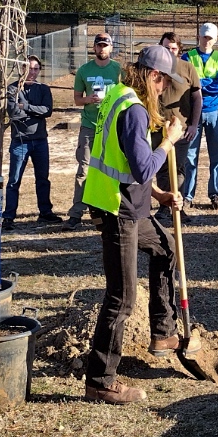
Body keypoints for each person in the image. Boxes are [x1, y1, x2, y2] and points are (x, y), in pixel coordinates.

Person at [81, 45, 186, 405]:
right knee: (122, 298)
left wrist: (157, 195)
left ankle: (162, 332)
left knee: (165, 247)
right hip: (117, 209)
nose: (164, 91)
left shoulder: (118, 96)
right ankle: (100, 380)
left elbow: (127, 161)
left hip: (131, 204)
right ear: (153, 76)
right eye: (164, 83)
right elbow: (141, 167)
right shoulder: (133, 110)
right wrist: (169, 141)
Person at [68, 33, 123, 228]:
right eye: (99, 45)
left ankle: (108, 210)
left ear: (111, 48)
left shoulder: (118, 70)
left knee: (110, 169)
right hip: (89, 125)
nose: (102, 49)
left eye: (105, 46)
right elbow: (77, 99)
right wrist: (88, 100)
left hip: (112, 126)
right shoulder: (84, 70)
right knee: (83, 168)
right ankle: (76, 212)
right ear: (94, 47)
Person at [1, 56, 60, 230]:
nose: (32, 72)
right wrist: (34, 110)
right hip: (20, 141)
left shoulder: (43, 89)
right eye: (29, 68)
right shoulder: (13, 88)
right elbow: (13, 113)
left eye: (35, 69)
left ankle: (45, 213)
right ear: (22, 69)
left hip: (40, 140)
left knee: (43, 179)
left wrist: (25, 106)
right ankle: (9, 216)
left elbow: (47, 111)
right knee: (14, 180)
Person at [152, 32, 202, 224]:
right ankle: (164, 207)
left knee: (179, 167)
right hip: (157, 126)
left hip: (180, 128)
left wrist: (194, 124)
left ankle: (178, 207)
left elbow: (197, 98)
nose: (170, 51)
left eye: (173, 48)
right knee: (161, 167)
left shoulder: (188, 68)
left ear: (179, 50)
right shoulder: (155, 69)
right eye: (166, 48)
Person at [182, 23, 218, 211]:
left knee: (215, 155)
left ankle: (215, 193)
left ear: (215, 39)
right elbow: (185, 82)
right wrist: (206, 84)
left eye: (210, 38)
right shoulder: (188, 57)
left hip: (215, 111)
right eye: (204, 37)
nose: (206, 41)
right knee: (190, 156)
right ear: (198, 37)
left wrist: (199, 85)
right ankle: (187, 195)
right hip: (193, 112)